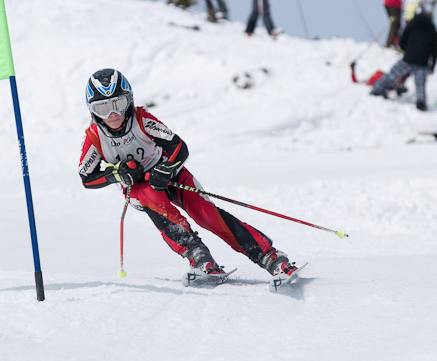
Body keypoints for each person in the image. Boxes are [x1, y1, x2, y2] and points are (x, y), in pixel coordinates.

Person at [78, 68, 297, 287]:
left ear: (130, 101)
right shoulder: (94, 137)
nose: (112, 114)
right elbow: (87, 177)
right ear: (92, 110)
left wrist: (167, 169)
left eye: (117, 104)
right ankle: (199, 258)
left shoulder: (142, 119)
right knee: (151, 198)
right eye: (103, 108)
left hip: (169, 175)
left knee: (205, 213)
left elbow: (178, 146)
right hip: (138, 188)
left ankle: (271, 257)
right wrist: (115, 173)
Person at [370, 1, 437, 111]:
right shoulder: (431, 27)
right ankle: (421, 102)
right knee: (420, 84)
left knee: (393, 74)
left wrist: (408, 49)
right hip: (423, 61)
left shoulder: (412, 24)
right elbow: (435, 48)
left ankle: (376, 90)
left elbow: (402, 42)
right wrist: (432, 65)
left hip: (409, 58)